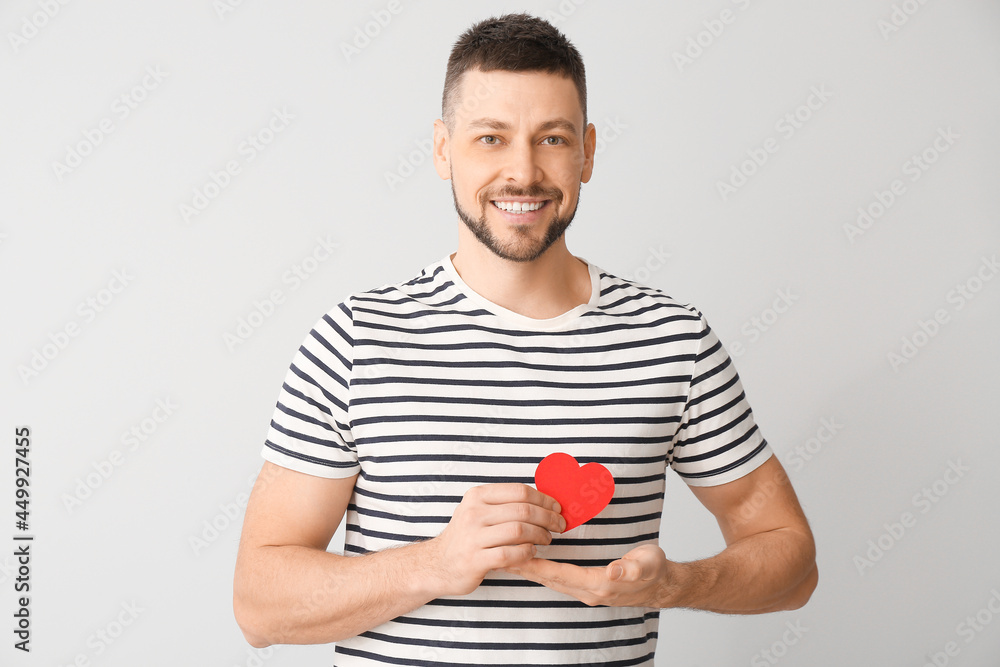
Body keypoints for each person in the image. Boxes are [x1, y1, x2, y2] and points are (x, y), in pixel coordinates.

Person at [233, 12, 818, 665]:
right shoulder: (355, 340)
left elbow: (793, 565)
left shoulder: (673, 340)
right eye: (491, 138)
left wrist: (677, 584)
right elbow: (259, 606)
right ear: (442, 149)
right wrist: (435, 563)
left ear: (587, 151)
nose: (523, 171)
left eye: (552, 138)